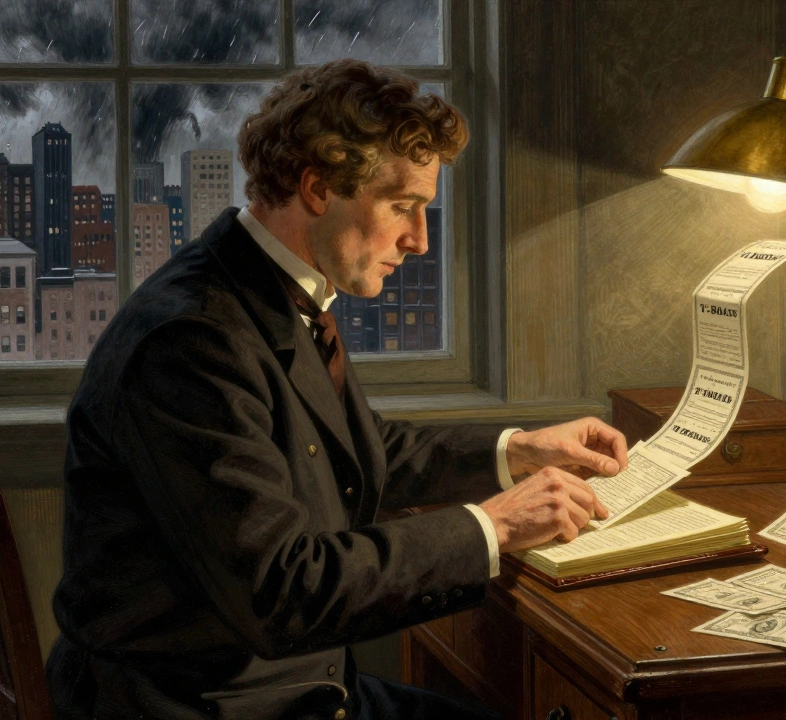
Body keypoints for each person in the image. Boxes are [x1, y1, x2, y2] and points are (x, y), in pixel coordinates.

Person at [46, 59, 629, 720]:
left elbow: (351, 449)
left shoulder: (263, 294)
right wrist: (493, 525)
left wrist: (516, 449)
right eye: (403, 207)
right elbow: (282, 592)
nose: (419, 240)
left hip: (284, 690)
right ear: (318, 189)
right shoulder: (194, 342)